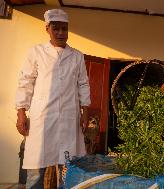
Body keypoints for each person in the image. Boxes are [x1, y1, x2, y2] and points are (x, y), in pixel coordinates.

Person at [15, 9, 91, 188]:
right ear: (47, 29)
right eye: (56, 28)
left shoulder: (77, 56)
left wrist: (85, 112)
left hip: (68, 118)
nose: (61, 33)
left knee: (67, 169)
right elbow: (25, 81)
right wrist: (21, 113)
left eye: (64, 29)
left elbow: (83, 84)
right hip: (42, 119)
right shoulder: (36, 52)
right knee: (36, 170)